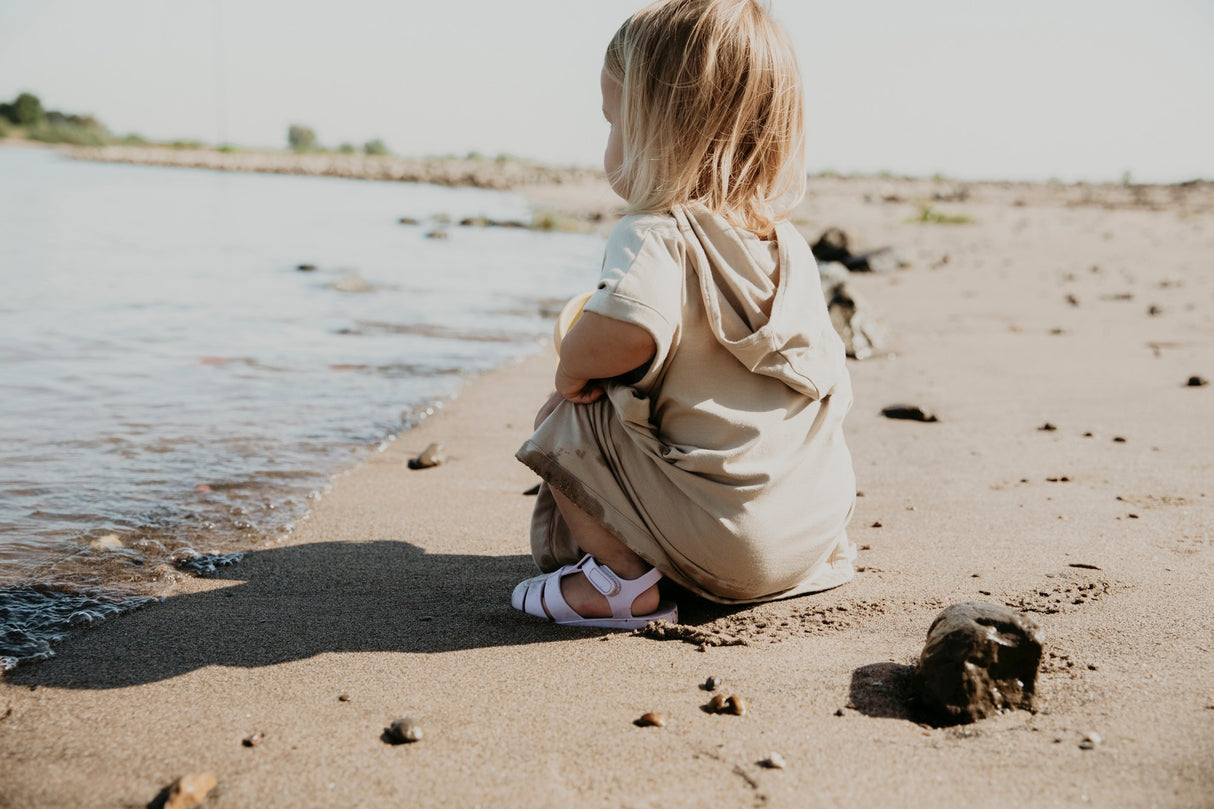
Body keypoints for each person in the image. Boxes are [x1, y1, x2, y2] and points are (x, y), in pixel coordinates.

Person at [511, 0, 856, 629]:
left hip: (725, 547)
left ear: (658, 131)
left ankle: (617, 584)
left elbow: (625, 332)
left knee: (564, 422)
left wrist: (571, 367)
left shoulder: (654, 234)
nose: (607, 142)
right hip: (808, 539)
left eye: (614, 122)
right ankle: (729, 550)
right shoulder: (789, 248)